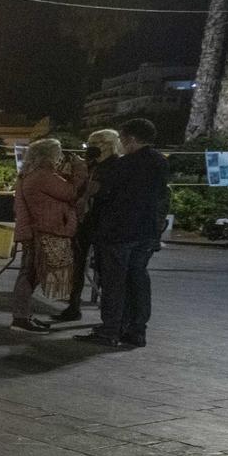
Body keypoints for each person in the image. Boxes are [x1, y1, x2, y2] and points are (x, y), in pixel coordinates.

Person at [80, 116, 167, 349]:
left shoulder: (123, 165)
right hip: (146, 231)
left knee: (114, 282)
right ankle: (137, 330)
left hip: (119, 231)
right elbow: (161, 197)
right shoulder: (160, 161)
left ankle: (110, 329)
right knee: (138, 279)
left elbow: (101, 194)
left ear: (130, 139)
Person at [9, 138, 79, 332]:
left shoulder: (29, 174)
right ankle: (21, 319)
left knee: (30, 273)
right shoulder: (43, 175)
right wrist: (77, 172)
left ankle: (23, 316)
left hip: (33, 230)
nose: (61, 157)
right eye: (58, 153)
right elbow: (70, 192)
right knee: (30, 275)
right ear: (49, 155)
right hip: (42, 231)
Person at [56, 131, 114, 323]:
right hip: (86, 221)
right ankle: (73, 306)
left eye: (96, 143)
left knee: (105, 270)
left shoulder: (113, 166)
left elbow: (96, 190)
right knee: (77, 266)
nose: (91, 147)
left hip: (104, 223)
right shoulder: (91, 166)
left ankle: (110, 318)